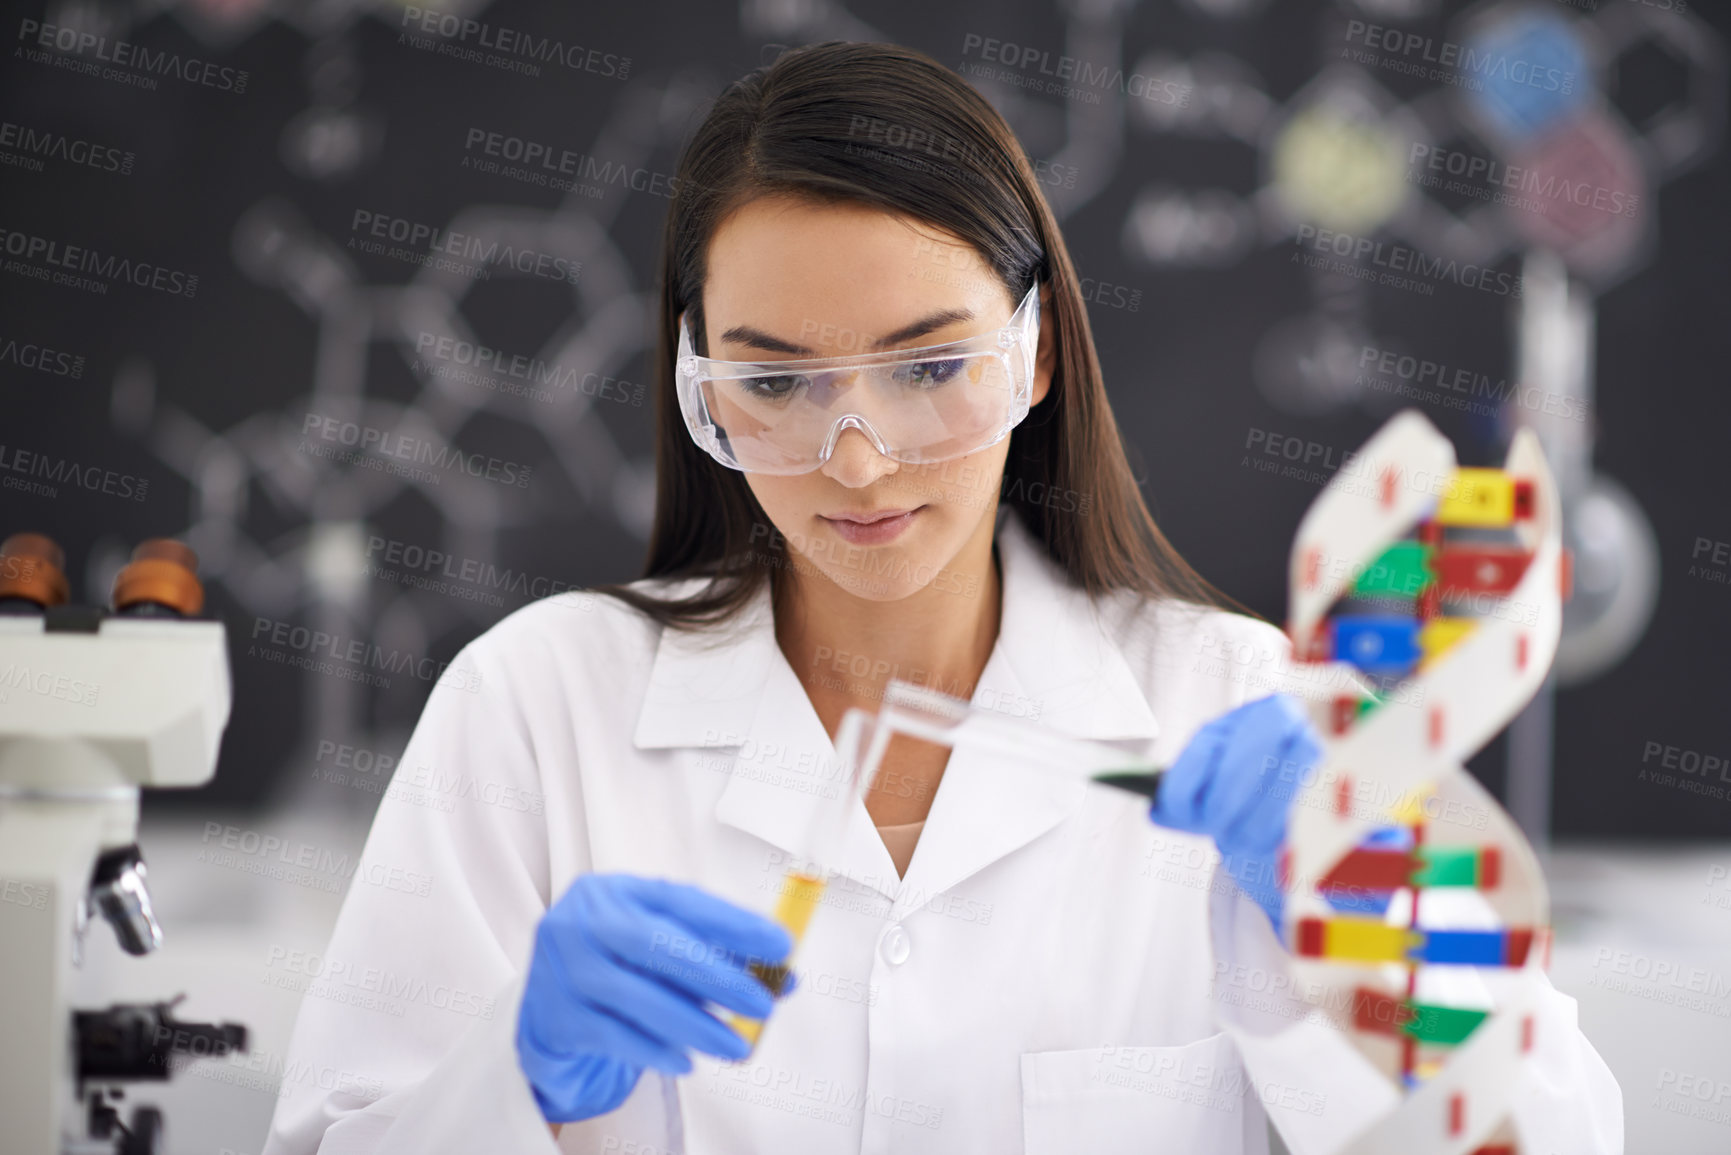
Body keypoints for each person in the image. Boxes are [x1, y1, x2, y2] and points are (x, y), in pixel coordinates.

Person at [261, 40, 1622, 1155]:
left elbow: (1553, 1138)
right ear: (700, 392)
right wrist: (517, 1082)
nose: (857, 457)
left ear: (1036, 357)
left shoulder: (1239, 703)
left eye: (928, 366)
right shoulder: (538, 708)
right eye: (777, 382)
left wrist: (1372, 911)